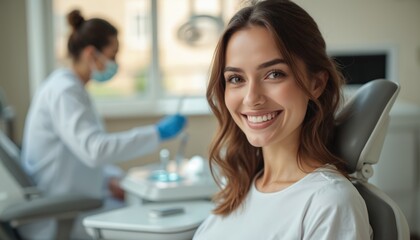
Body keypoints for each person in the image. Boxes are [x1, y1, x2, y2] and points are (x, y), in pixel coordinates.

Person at [193, 0, 371, 239]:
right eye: (236, 78)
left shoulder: (329, 203)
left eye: (274, 74)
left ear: (315, 84)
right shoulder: (239, 187)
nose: (252, 98)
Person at [20, 10, 186, 240]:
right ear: (91, 53)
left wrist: (111, 179)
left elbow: (80, 152)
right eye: (112, 55)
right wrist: (156, 133)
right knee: (155, 226)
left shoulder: (72, 88)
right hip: (60, 215)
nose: (115, 64)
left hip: (74, 203)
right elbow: (94, 150)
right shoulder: (64, 91)